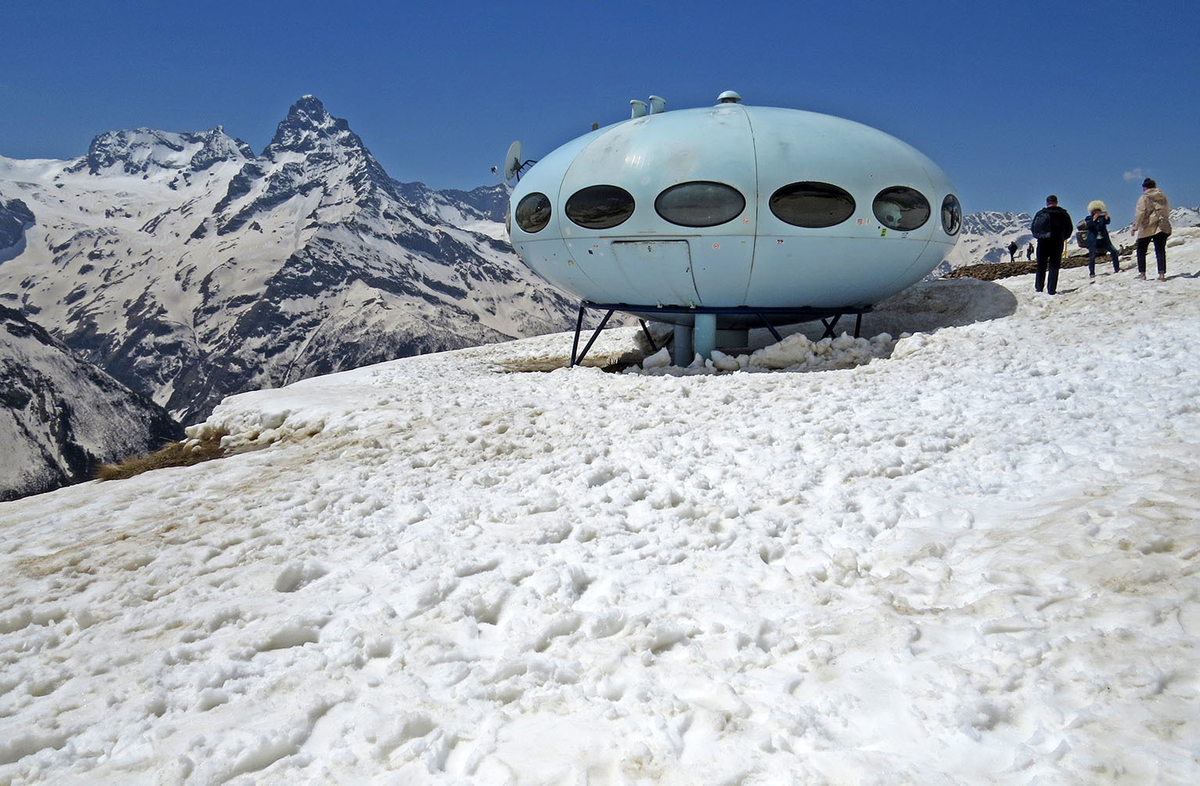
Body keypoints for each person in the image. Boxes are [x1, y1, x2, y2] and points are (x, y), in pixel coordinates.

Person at [1030, 195, 1073, 294]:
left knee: (1041, 265)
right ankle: (1051, 289)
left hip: (1043, 242)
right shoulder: (1063, 214)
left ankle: (1039, 287)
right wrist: (1062, 237)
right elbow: (1069, 229)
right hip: (1057, 242)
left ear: (1047, 203)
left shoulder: (1041, 213)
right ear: (1056, 202)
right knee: (1054, 265)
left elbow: (1033, 228)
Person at [1132, 178, 1171, 280]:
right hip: (1161, 225)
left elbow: (1140, 213)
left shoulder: (1144, 198)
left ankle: (1143, 274)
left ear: (1145, 187)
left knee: (1141, 250)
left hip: (1148, 227)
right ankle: (1161, 274)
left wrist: (1135, 227)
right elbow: (1167, 210)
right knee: (1160, 250)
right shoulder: (1162, 196)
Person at [1084, 200, 1121, 277]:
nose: (1097, 212)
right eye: (1095, 211)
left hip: (1104, 239)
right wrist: (1094, 219)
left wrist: (1106, 217)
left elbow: (1107, 222)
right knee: (1092, 256)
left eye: (1099, 210)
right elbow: (1089, 224)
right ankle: (1092, 272)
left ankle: (1117, 268)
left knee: (1114, 252)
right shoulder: (1089, 218)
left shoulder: (1102, 218)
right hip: (1093, 240)